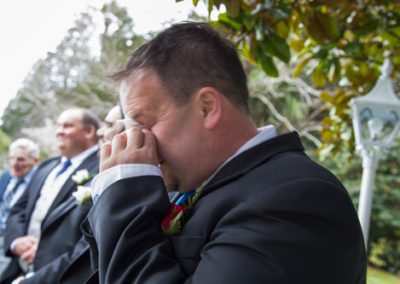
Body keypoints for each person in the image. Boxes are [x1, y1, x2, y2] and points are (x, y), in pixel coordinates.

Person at [84, 22, 367, 283]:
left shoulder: (297, 198)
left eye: (143, 124)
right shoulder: (193, 187)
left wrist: (124, 196)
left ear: (207, 108)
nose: (137, 139)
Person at [1, 108, 100, 284]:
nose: (59, 131)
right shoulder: (47, 166)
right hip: (16, 268)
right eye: (58, 125)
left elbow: (90, 237)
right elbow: (19, 208)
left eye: (67, 126)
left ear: (89, 131)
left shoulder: (100, 170)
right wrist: (17, 242)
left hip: (56, 275)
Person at [0, 139, 40, 274]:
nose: (14, 163)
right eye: (11, 158)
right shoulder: (6, 176)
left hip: (16, 239)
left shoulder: (39, 182)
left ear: (35, 161)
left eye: (21, 159)